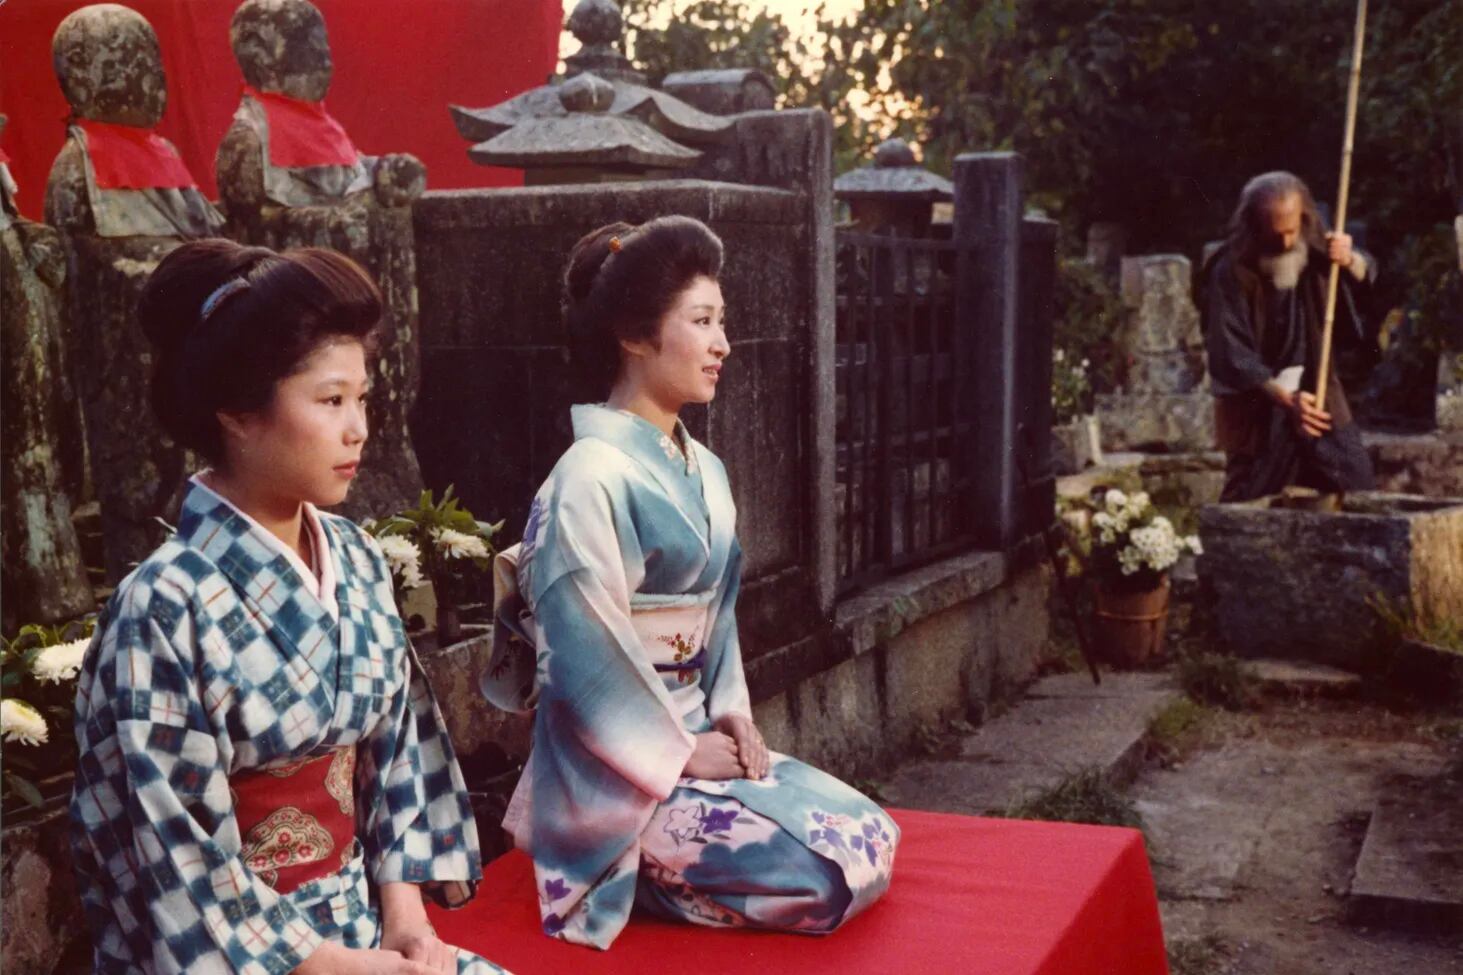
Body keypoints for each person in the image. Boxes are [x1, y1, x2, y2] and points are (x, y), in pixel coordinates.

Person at [69, 239, 510, 975]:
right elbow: (178, 864)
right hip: (242, 956)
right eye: (330, 399)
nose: (358, 427)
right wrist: (337, 963)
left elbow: (397, 751)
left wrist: (403, 918)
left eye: (361, 398)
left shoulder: (358, 556)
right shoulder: (161, 606)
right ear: (238, 412)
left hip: (365, 923)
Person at [483, 216, 898, 950]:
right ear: (635, 335)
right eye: (702, 322)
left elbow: (719, 614)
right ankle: (596, 859)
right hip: (608, 767)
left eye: (722, 321)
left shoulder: (703, 469)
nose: (722, 345)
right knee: (818, 877)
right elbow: (581, 662)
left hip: (692, 736)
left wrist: (731, 712)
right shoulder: (588, 475)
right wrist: (676, 752)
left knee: (868, 837)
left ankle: (674, 853)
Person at [1198, 171, 1379, 501]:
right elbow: (1231, 353)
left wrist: (1350, 258)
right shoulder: (1230, 271)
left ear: (1304, 220)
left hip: (1319, 393)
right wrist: (1285, 399)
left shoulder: (1314, 246)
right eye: (1274, 234)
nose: (1284, 243)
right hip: (1260, 403)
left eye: (1291, 231)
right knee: (1249, 504)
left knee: (1358, 489)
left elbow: (1367, 274)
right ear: (1254, 227)